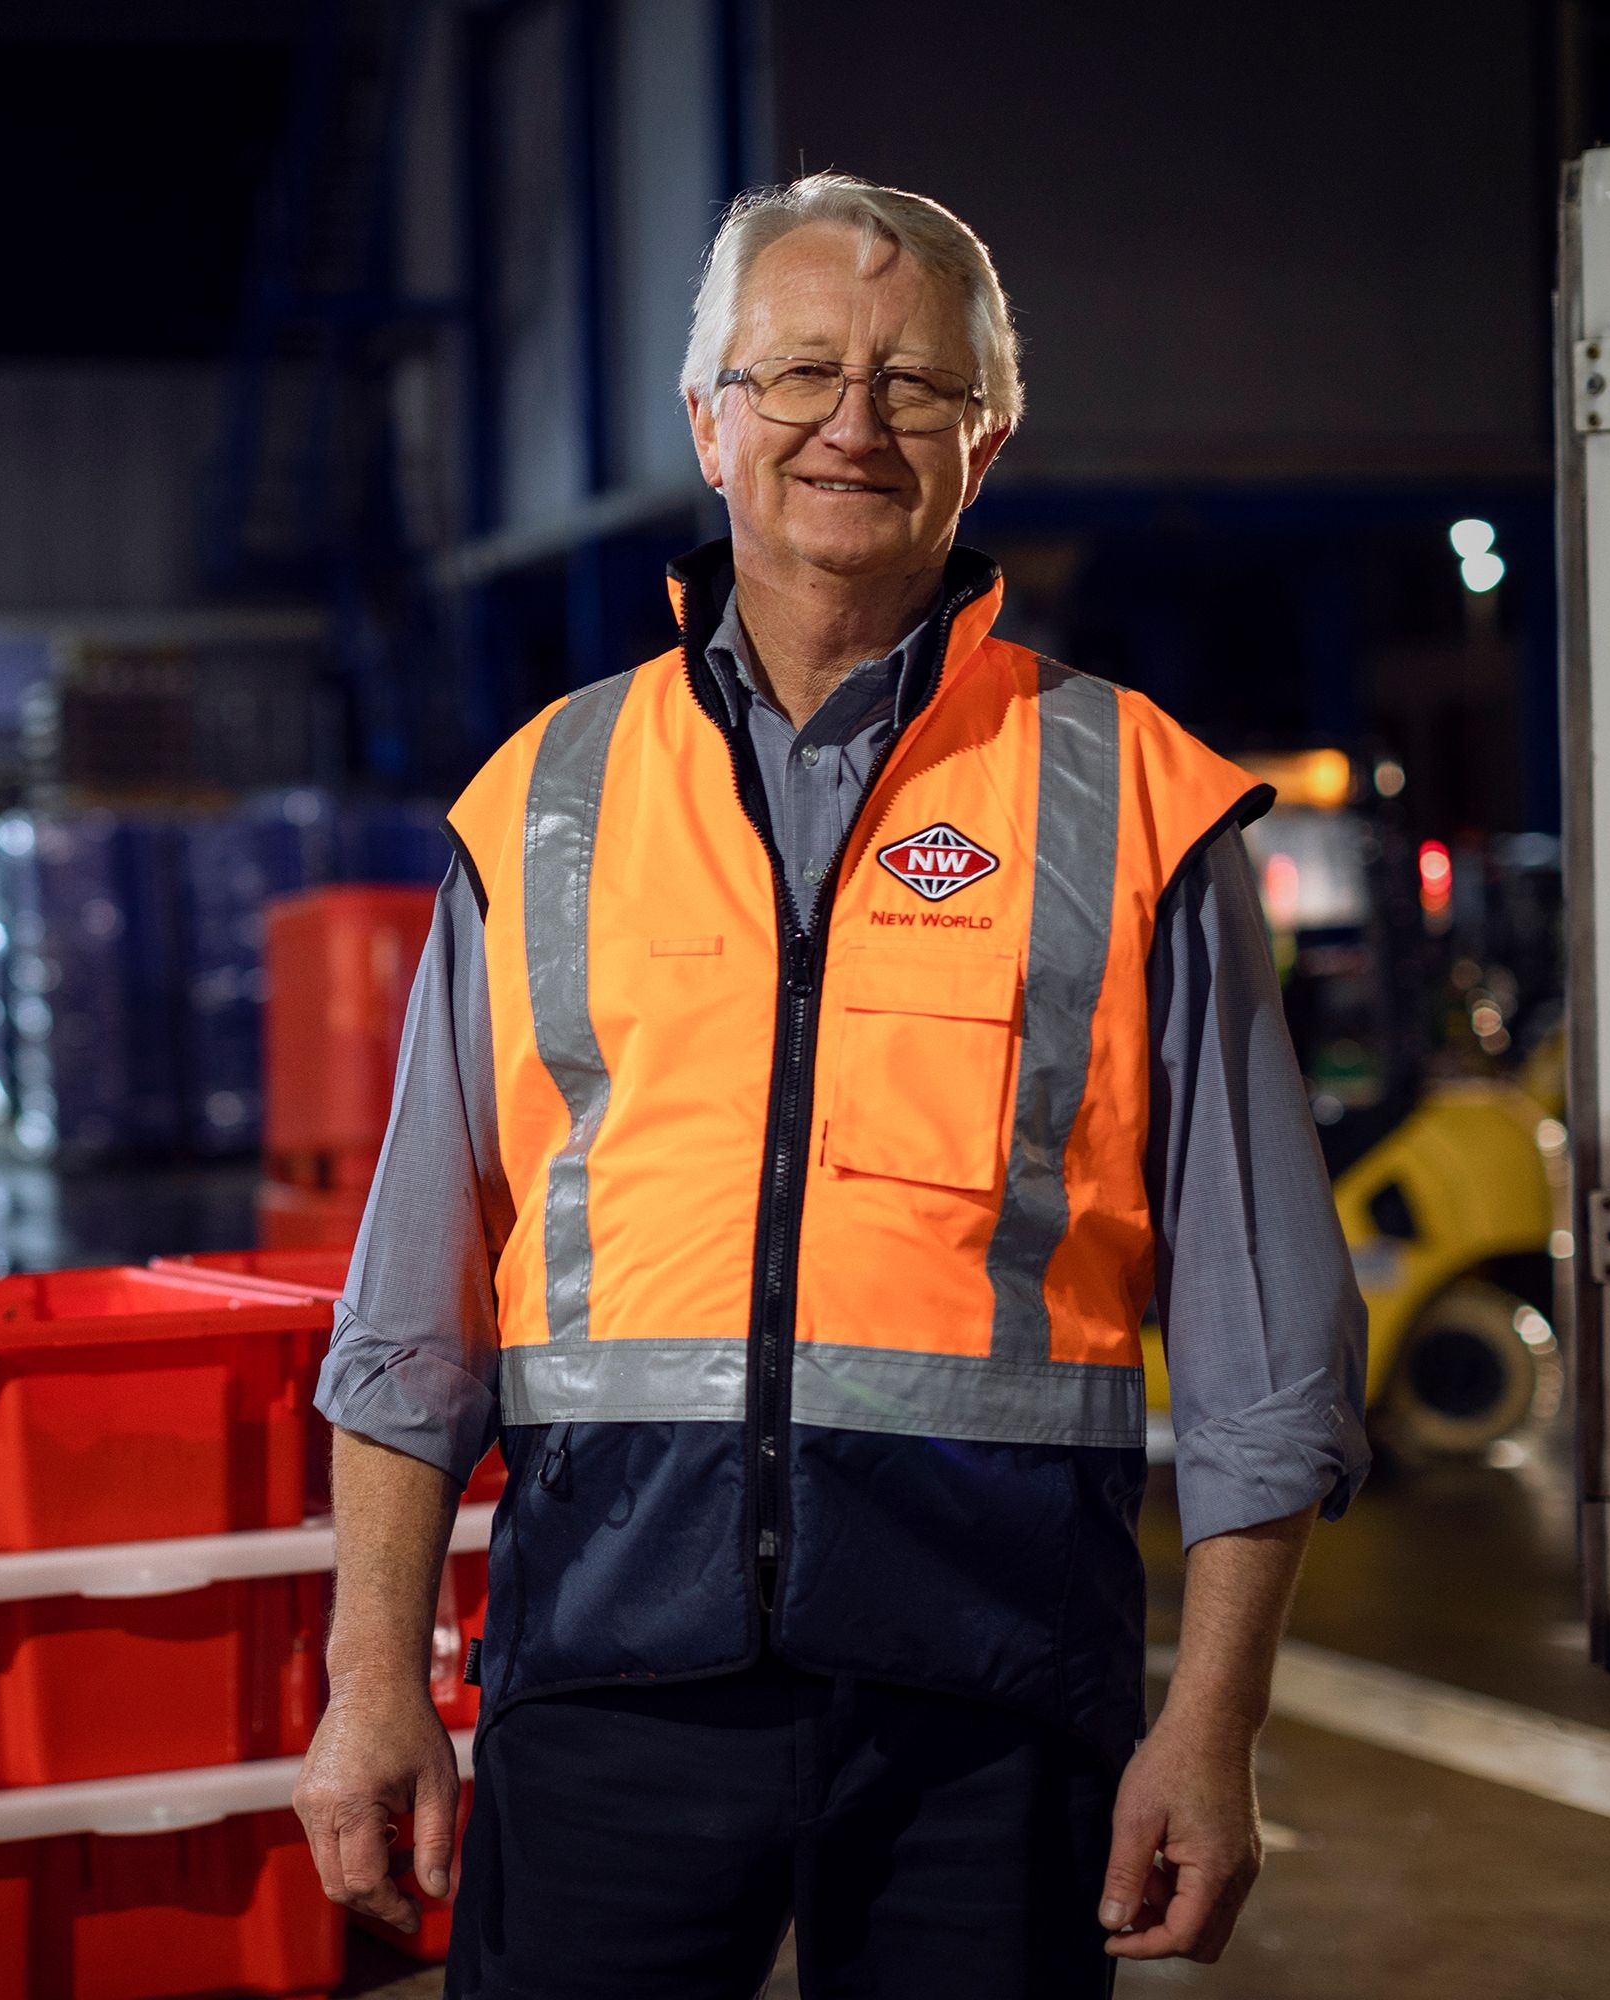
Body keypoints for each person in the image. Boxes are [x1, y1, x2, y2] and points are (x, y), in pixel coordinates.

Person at [291, 173, 1368, 1999]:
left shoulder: (1134, 799)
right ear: (708, 423)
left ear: (986, 439)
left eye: (916, 384)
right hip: (605, 1676)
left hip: (996, 1705)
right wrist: (372, 1677)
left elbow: (1267, 1342)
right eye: (797, 372)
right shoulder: (544, 800)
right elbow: (412, 1312)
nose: (851, 425)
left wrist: (1215, 1724)